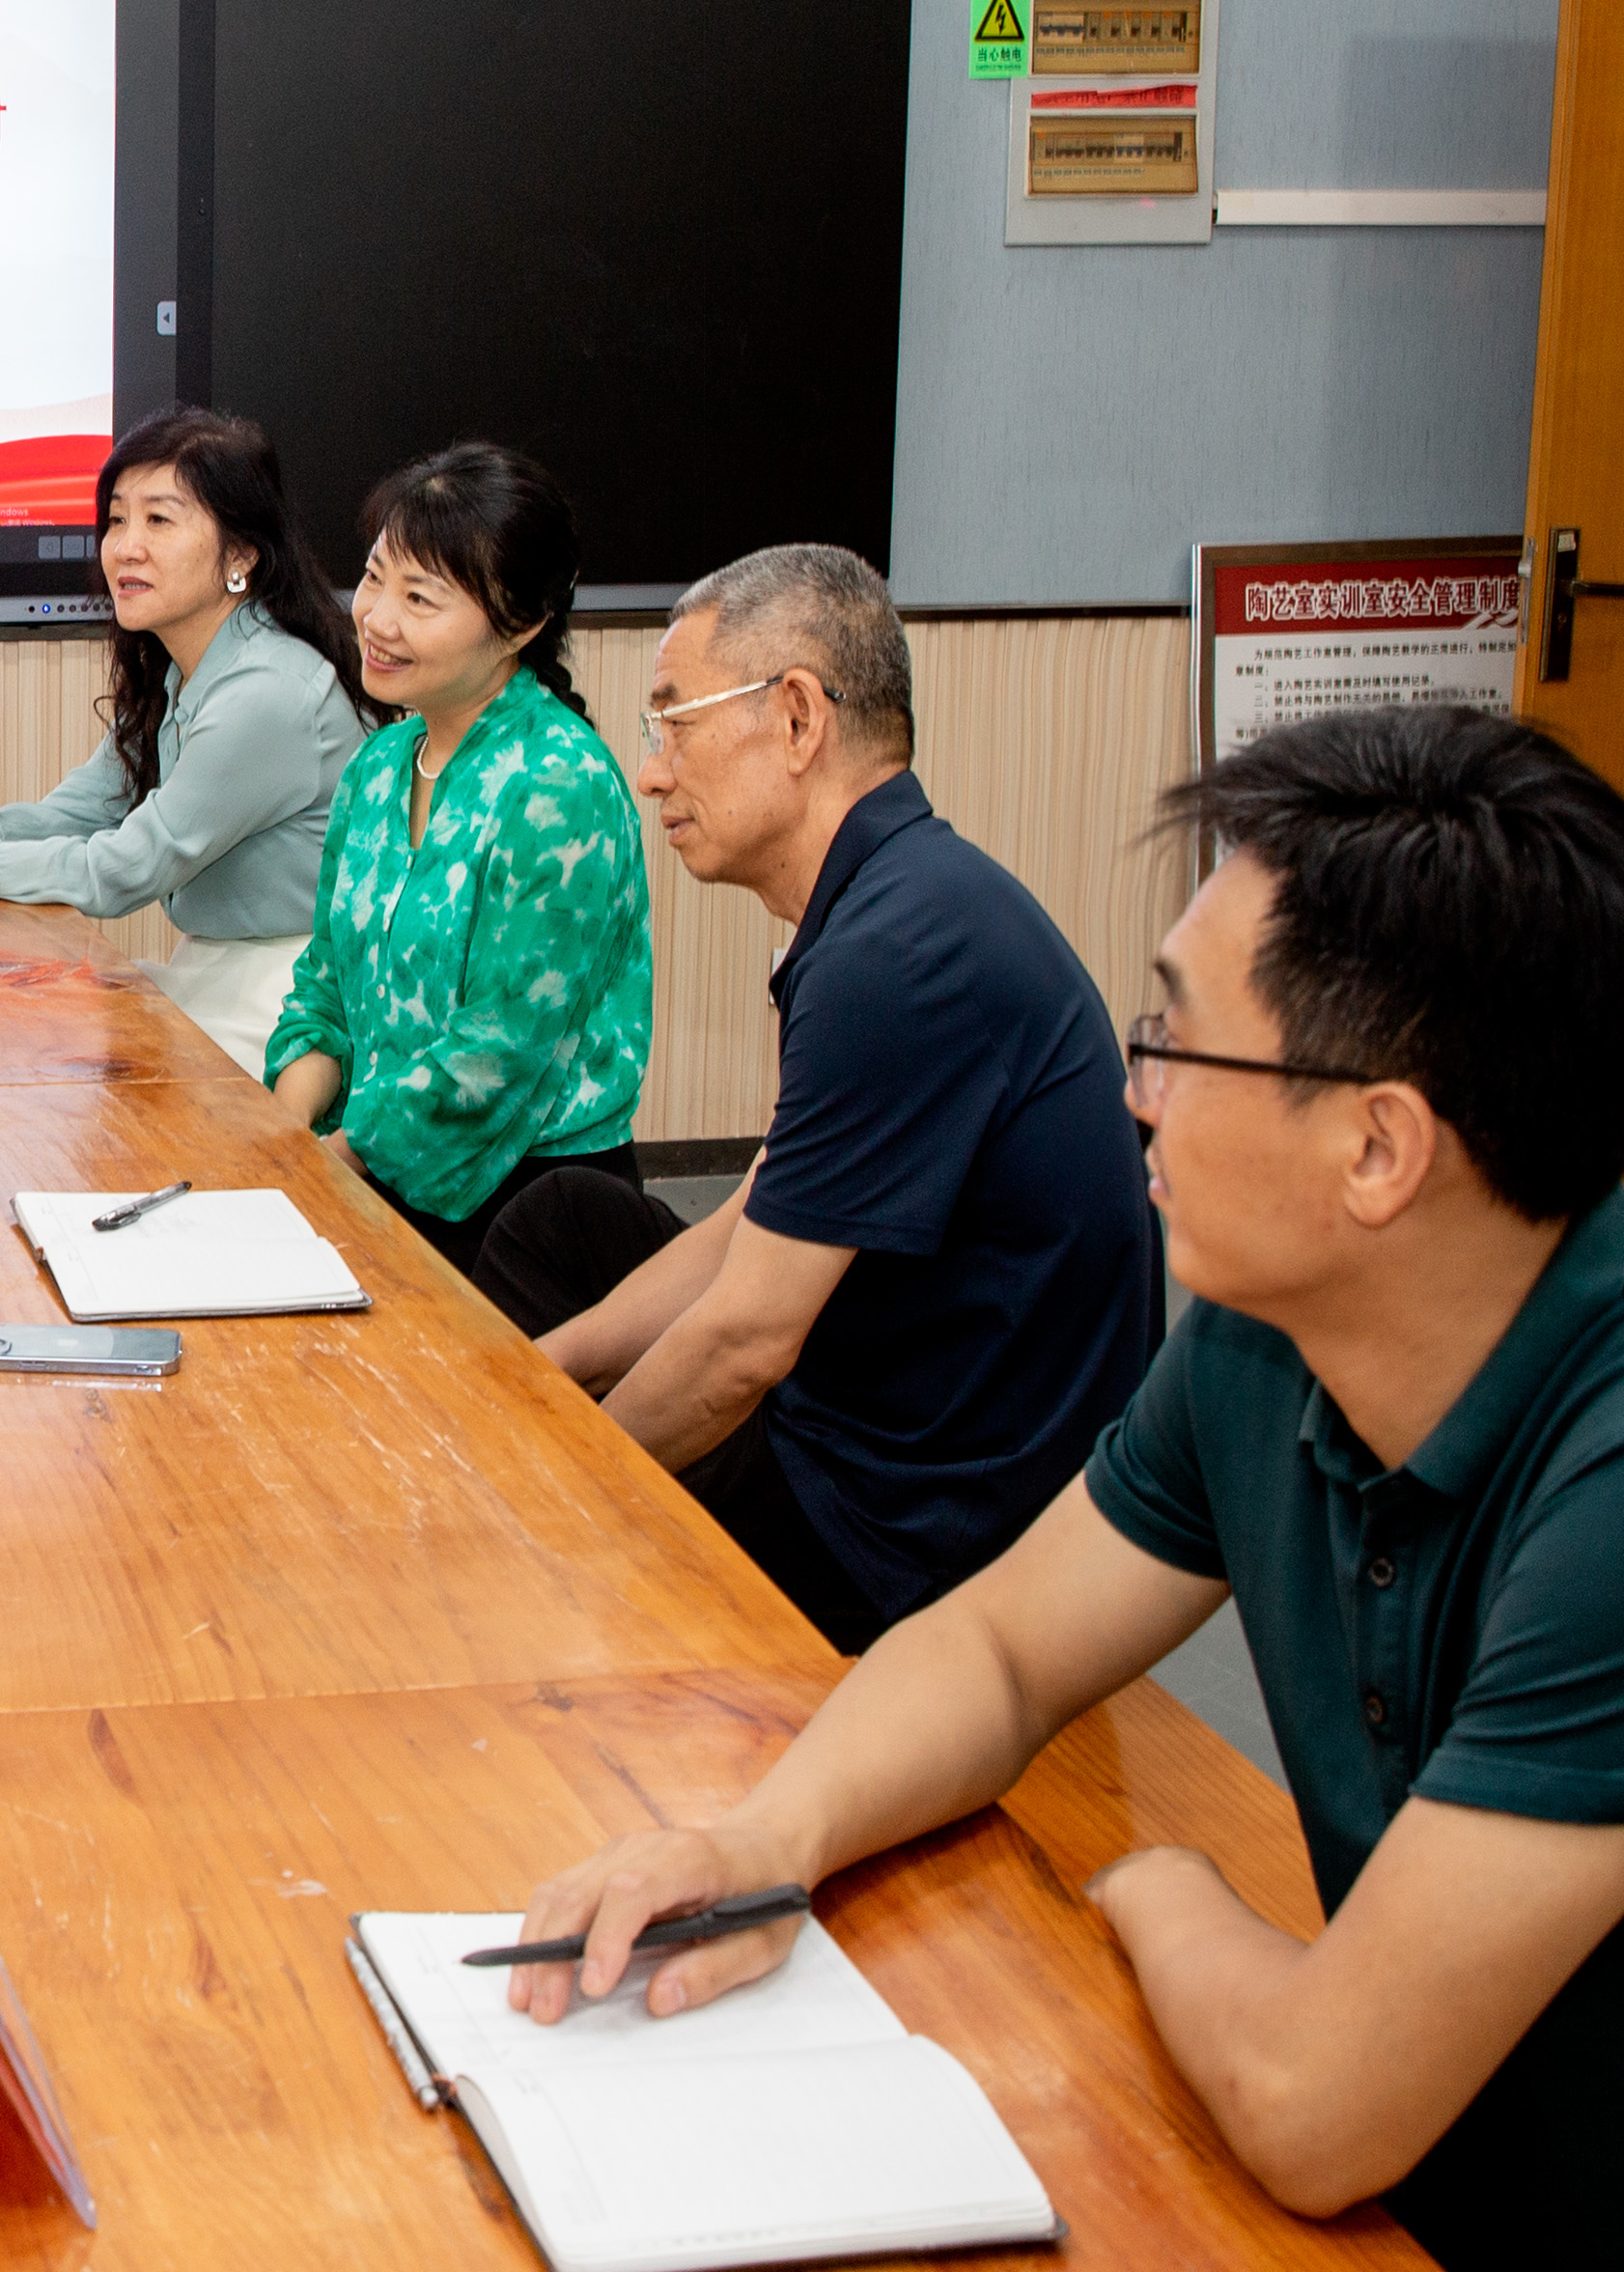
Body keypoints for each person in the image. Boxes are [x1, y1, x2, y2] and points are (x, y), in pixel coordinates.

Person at [504, 706, 1624, 2272]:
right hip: (1412, 2268)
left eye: (1175, 1041)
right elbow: (997, 1644)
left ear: (1378, 1149)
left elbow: (1310, 2099)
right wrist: (760, 1841)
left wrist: (1161, 1886)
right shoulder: (1274, 1332)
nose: (1128, 1090)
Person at [486, 547, 1161, 1649]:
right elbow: (755, 1214)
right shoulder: (900, 895)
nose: (651, 772)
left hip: (910, 1522)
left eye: (673, 723)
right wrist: (534, 1378)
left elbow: (745, 1343)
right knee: (563, 1222)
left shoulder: (890, 955)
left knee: (541, 1539)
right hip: (884, 1395)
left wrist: (549, 1476)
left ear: (797, 719)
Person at [0, 407, 378, 1065]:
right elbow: (75, 815)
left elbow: (120, 870)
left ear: (240, 554)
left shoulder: (268, 691)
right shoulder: (183, 668)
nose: (125, 547)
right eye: (116, 520)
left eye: (159, 520)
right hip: (213, 973)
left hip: (289, 1003)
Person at [263, 443, 653, 1282]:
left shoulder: (559, 783)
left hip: (527, 1209)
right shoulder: (379, 764)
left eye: (420, 598)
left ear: (520, 622)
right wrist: (286, 1140)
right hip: (369, 1169)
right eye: (374, 579)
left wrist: (334, 1162)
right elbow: (325, 983)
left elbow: (496, 1052)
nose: (376, 618)